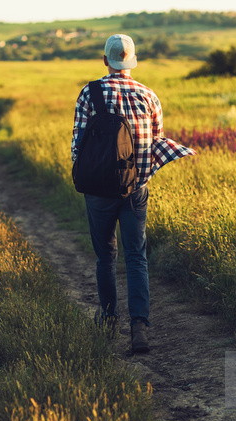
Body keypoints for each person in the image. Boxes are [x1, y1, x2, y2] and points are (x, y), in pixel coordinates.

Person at [71, 34, 196, 353]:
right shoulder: (149, 96)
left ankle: (108, 317)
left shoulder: (90, 93)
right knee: (136, 256)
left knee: (105, 257)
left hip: (99, 191)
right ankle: (139, 327)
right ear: (133, 61)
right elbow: (156, 142)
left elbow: (78, 145)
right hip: (136, 189)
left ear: (105, 61)